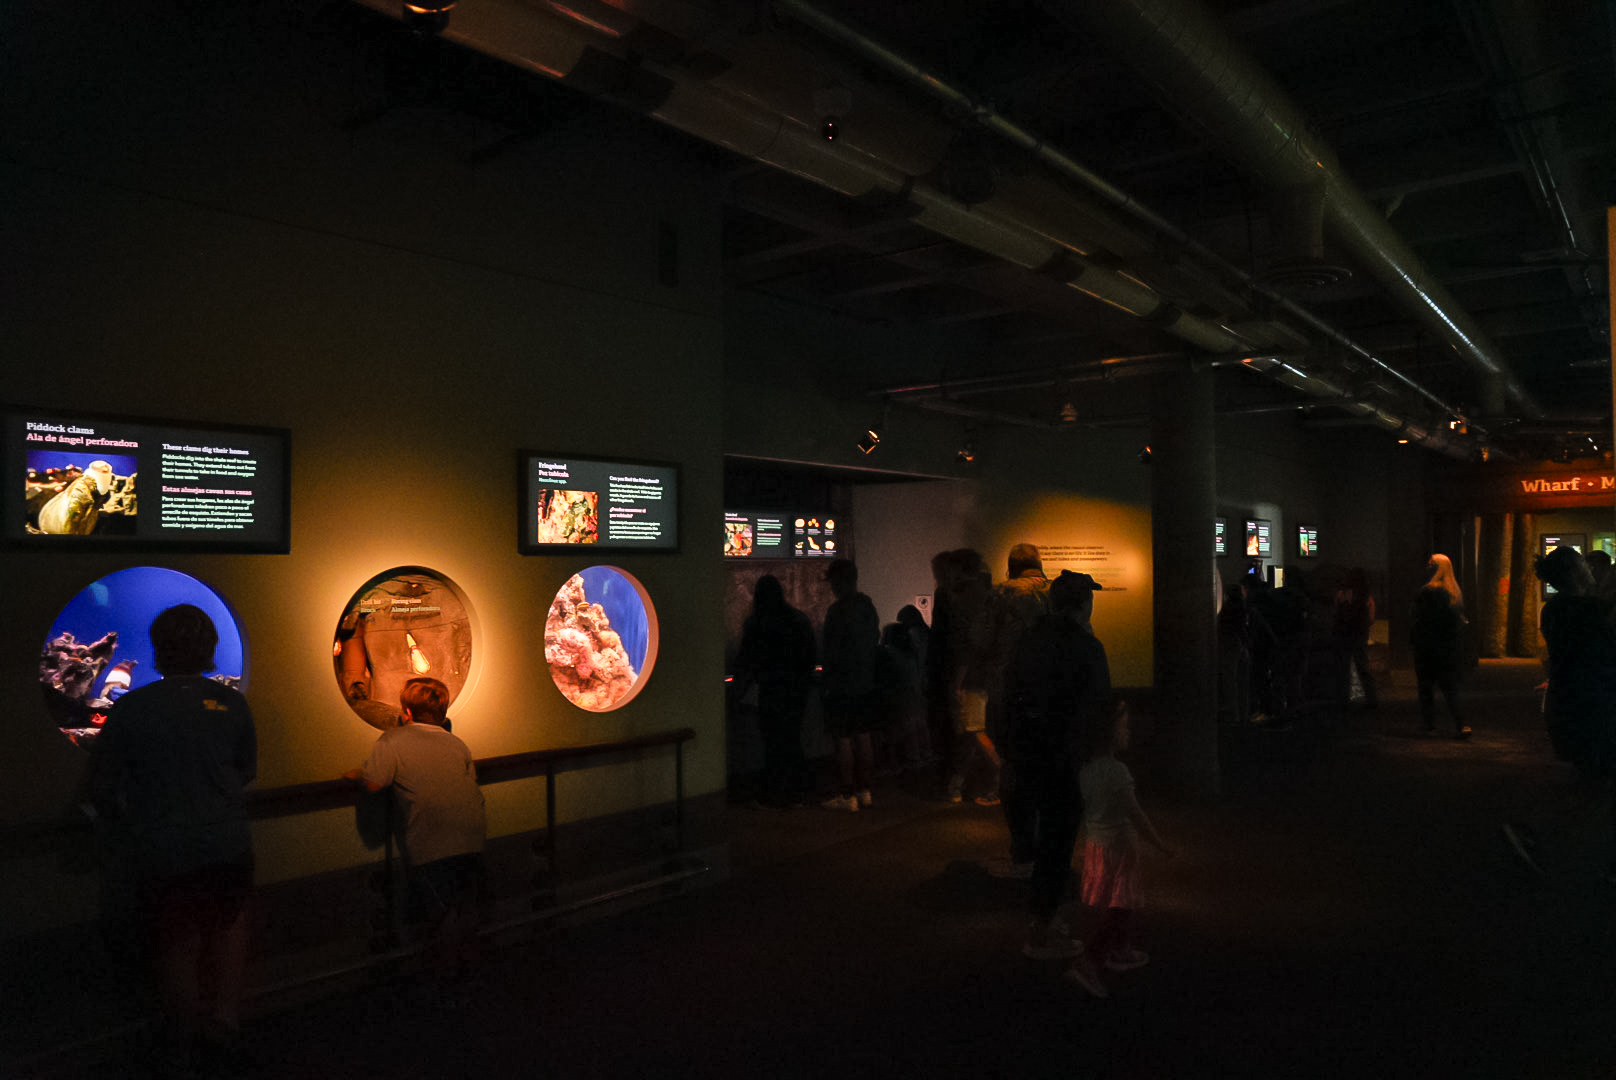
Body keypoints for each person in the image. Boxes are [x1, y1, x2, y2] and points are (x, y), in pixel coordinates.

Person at [88, 604, 257, 1074]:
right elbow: (246, 771)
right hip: (227, 842)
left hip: (163, 847)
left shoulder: (134, 708)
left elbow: (104, 784)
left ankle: (183, 1047)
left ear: (160, 649)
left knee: (176, 942)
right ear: (210, 649)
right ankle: (224, 1028)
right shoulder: (232, 704)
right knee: (227, 930)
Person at [348, 677, 487, 988]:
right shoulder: (456, 743)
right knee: (466, 905)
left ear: (405, 712)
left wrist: (359, 772)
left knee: (443, 912)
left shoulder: (392, 741)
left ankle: (449, 980)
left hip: (432, 838)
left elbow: (374, 783)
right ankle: (473, 971)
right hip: (472, 833)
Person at [1003, 571, 1110, 967]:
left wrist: (1009, 749)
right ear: (1084, 602)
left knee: (1043, 839)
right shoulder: (1086, 646)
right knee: (1058, 841)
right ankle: (1044, 929)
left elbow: (1006, 693)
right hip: (1067, 757)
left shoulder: (1029, 640)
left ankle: (1044, 919)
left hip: (1029, 753)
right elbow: (1100, 707)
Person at [1502, 547, 1616, 880]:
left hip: (1571, 702)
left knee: (1595, 782)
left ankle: (1535, 829)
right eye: (1584, 563)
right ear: (1574, 572)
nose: (1590, 568)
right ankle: (1536, 829)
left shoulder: (1554, 610)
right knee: (1599, 782)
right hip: (1595, 704)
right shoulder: (1589, 609)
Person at [1067, 699, 1174, 998]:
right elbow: (1136, 816)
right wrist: (1162, 846)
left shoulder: (1087, 770)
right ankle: (1089, 963)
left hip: (1097, 848)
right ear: (1108, 732)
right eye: (1124, 726)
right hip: (1120, 850)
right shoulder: (1118, 772)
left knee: (1111, 903)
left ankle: (1120, 950)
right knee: (1120, 908)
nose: (1128, 732)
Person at [982, 543, 1052, 870]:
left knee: (1012, 767)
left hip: (1007, 693)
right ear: (1039, 564)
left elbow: (980, 639)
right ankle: (1049, 846)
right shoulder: (1056, 592)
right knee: (1049, 769)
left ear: (1011, 566)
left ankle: (1022, 848)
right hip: (1050, 693)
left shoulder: (1000, 595)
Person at [732, 574, 816, 808]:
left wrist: (741, 689)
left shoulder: (757, 622)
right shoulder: (798, 619)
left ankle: (774, 795)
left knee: (773, 743)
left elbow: (746, 660)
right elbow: (810, 655)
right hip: (797, 691)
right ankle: (797, 792)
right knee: (792, 739)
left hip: (770, 690)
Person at [819, 559, 882, 811]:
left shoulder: (837, 610)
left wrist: (827, 681)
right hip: (866, 681)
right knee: (863, 735)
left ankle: (847, 795)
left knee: (843, 738)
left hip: (841, 684)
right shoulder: (866, 604)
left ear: (838, 581)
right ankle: (865, 790)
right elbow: (874, 638)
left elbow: (830, 651)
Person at [1411, 553, 1470, 739]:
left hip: (1427, 648)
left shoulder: (1428, 592)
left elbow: (1417, 620)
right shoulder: (1454, 591)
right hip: (1448, 648)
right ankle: (1461, 724)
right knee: (1450, 688)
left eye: (1430, 564)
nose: (1426, 566)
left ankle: (1429, 725)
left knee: (1426, 687)